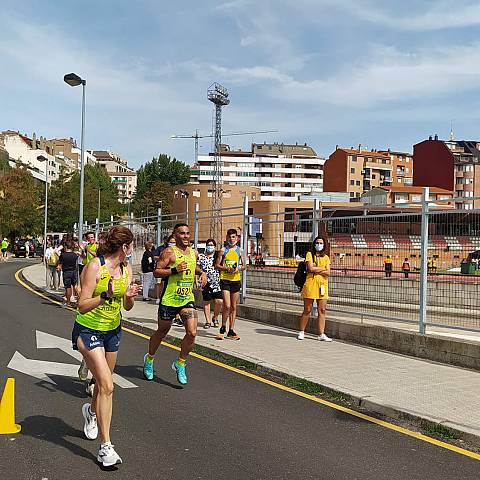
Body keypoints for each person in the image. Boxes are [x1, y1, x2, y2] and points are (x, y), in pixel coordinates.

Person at [73, 226, 141, 467]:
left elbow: (128, 307)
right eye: (131, 246)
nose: (132, 250)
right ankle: (106, 447)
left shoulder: (126, 269)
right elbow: (81, 305)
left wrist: (130, 295)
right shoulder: (95, 267)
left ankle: (91, 412)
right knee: (108, 386)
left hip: (112, 331)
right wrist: (105, 295)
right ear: (124, 247)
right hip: (88, 330)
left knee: (103, 387)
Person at [143, 223, 207, 385]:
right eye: (182, 233)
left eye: (187, 233)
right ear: (175, 235)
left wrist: (203, 273)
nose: (186, 236)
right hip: (169, 299)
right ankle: (149, 359)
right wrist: (174, 270)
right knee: (162, 332)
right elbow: (157, 271)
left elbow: (193, 268)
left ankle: (180, 363)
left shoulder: (193, 253)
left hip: (186, 299)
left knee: (192, 333)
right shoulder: (169, 253)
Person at [297, 235, 332, 342]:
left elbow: (328, 272)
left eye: (321, 243)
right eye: (317, 243)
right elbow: (310, 268)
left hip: (322, 285)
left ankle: (321, 334)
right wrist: (322, 269)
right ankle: (302, 331)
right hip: (311, 284)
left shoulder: (326, 257)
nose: (319, 245)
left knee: (322, 310)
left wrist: (316, 269)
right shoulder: (309, 254)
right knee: (307, 309)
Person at [215, 228, 245, 340]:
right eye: (230, 237)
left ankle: (231, 330)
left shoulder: (240, 251)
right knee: (227, 305)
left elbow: (244, 265)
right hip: (225, 279)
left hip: (235, 280)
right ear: (227, 238)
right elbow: (217, 265)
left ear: (237, 238)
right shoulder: (223, 250)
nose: (232, 239)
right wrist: (226, 268)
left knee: (233, 306)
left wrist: (238, 268)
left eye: (234, 237)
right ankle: (223, 327)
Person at [197, 239, 222, 328]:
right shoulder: (201, 256)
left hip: (217, 282)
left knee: (219, 301)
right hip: (205, 282)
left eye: (212, 245)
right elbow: (198, 268)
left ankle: (215, 317)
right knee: (207, 301)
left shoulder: (217, 257)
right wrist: (197, 279)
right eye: (208, 245)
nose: (210, 246)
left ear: (215, 247)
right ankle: (208, 321)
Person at [152, 235, 176, 305]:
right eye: (171, 242)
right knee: (160, 284)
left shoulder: (178, 251)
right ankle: (158, 298)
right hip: (162, 270)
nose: (172, 243)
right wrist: (163, 258)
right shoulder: (162, 249)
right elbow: (154, 256)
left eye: (174, 242)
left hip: (173, 273)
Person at [57, 240, 79, 308]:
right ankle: (79, 300)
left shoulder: (63, 255)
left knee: (68, 287)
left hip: (66, 272)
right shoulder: (75, 254)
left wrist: (58, 269)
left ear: (65, 247)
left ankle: (68, 302)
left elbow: (59, 265)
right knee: (75, 286)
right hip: (74, 271)